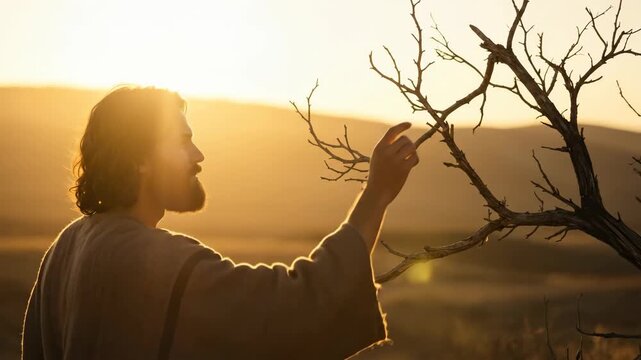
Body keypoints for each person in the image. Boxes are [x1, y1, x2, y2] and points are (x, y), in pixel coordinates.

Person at [21, 86, 419, 359]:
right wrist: (377, 193)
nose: (198, 155)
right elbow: (297, 307)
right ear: (138, 159)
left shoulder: (66, 248)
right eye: (181, 141)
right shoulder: (158, 263)